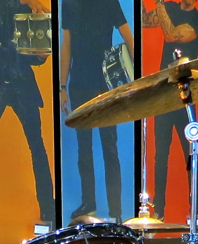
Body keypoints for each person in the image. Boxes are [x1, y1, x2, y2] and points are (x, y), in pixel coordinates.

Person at [0, 0, 55, 223]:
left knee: (35, 144)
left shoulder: (25, 4)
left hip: (16, 79)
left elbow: (32, 53)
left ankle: (48, 206)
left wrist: (40, 55)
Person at [60, 0, 133, 220]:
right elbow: (67, 45)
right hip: (79, 83)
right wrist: (62, 86)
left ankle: (115, 211)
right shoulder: (69, 3)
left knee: (110, 147)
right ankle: (88, 202)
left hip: (106, 84)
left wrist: (132, 78)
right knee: (84, 148)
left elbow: (129, 38)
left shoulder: (109, 2)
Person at [142, 0, 198, 220]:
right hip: (164, 94)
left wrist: (159, 3)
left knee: (191, 154)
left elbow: (171, 35)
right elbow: (144, 21)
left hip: (185, 96)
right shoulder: (170, 7)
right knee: (161, 154)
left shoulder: (197, 20)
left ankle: (195, 211)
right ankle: (158, 209)